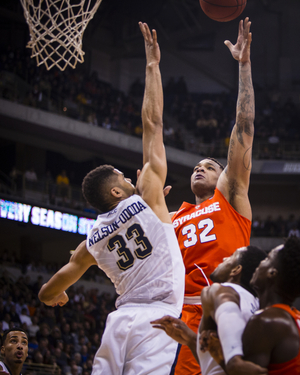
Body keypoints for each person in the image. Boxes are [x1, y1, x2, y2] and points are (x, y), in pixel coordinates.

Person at [38, 22, 185, 375]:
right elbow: (153, 123)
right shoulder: (149, 197)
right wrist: (152, 64)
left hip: (118, 323)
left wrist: (55, 296)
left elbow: (47, 292)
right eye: (123, 177)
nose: (129, 176)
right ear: (117, 191)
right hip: (157, 321)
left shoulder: (90, 242)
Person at [171, 17, 254, 375]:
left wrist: (244, 67)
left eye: (210, 165)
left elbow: (244, 129)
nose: (199, 167)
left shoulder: (230, 199)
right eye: (196, 165)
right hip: (181, 314)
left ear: (224, 177)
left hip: (227, 305)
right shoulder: (174, 217)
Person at [151, 245, 268, 375]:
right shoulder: (256, 303)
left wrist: (223, 359)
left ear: (236, 270)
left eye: (231, 257)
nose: (224, 258)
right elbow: (217, 366)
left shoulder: (220, 291)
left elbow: (235, 366)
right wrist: (191, 340)